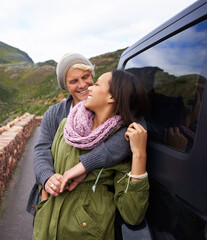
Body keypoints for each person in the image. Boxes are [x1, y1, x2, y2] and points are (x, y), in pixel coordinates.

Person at [32, 70, 149, 239]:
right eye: (74, 81)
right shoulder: (66, 124)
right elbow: (43, 153)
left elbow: (133, 214)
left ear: (112, 97)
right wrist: (46, 189)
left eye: (96, 84)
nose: (89, 88)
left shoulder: (123, 141)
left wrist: (139, 155)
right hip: (45, 229)